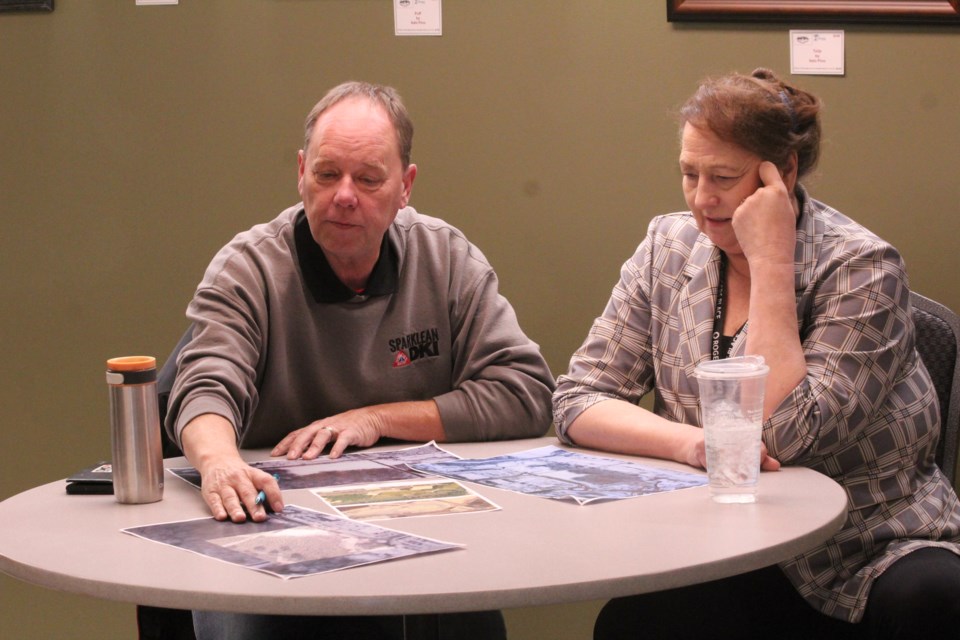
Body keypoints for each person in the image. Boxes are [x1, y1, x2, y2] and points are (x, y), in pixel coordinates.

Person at [553, 68, 960, 639]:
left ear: (783, 173)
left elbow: (785, 434)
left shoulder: (863, 267)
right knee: (634, 622)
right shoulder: (666, 248)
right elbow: (579, 398)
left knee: (934, 602)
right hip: (725, 538)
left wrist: (770, 257)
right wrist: (695, 444)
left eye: (724, 176)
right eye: (689, 174)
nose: (702, 199)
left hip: (866, 543)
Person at [165, 81, 555, 640]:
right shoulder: (249, 267)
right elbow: (204, 387)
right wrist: (220, 462)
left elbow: (524, 392)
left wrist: (375, 419)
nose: (344, 196)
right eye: (327, 175)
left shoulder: (444, 257)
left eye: (369, 179)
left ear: (405, 187)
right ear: (300, 173)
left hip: (421, 534)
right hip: (272, 541)